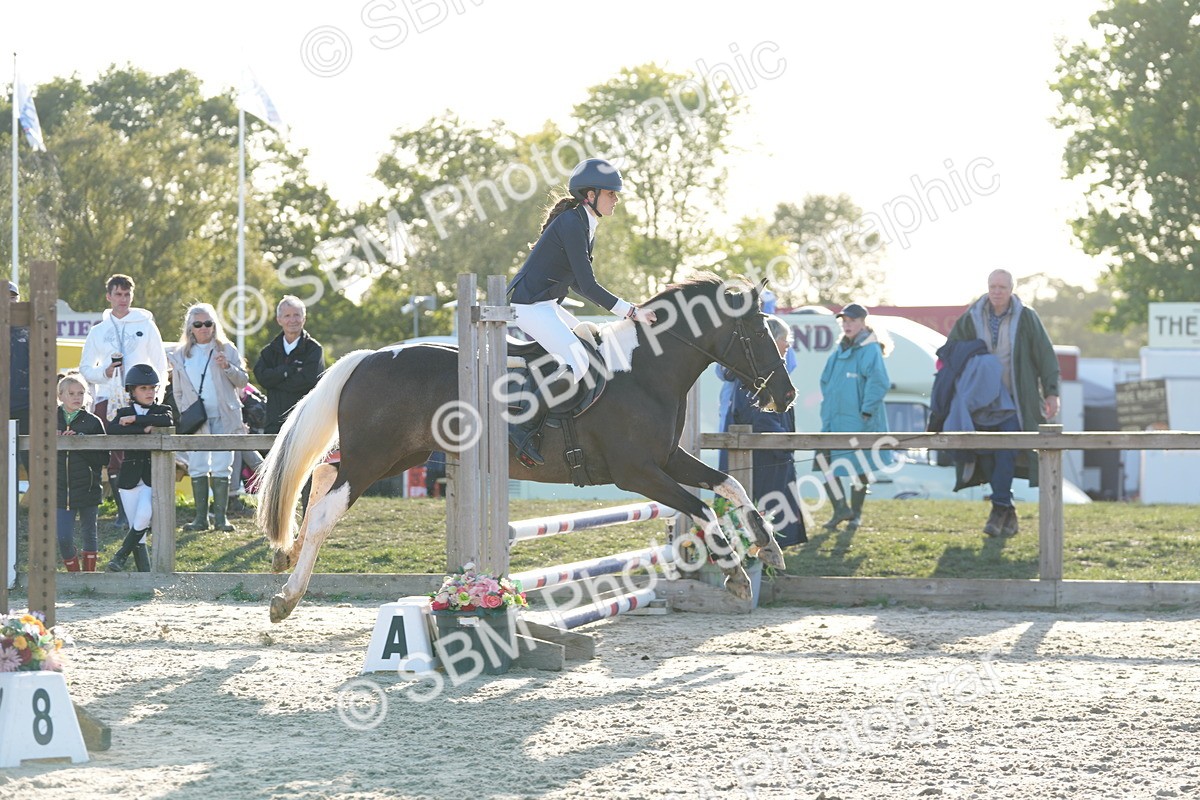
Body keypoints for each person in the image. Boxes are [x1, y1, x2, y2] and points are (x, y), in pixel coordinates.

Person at [505, 157, 657, 466]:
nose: (616, 199)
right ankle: (521, 427)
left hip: (545, 304)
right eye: (611, 193)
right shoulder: (573, 222)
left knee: (591, 347)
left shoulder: (585, 222)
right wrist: (631, 312)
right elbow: (587, 285)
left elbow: (575, 282)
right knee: (579, 362)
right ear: (590, 195)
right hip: (528, 306)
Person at [946, 269, 1060, 537]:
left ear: (1011, 289)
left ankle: (998, 508)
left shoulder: (1027, 317)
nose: (996, 291)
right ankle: (1006, 509)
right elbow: (951, 350)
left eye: (1002, 287)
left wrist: (1052, 392)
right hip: (981, 401)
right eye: (992, 286)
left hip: (1016, 401)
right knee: (985, 452)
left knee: (1007, 451)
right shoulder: (972, 317)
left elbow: (1045, 354)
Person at [78, 274, 168, 529]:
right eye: (118, 294)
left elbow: (160, 364)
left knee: (143, 451)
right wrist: (104, 372)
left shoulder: (146, 325)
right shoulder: (99, 330)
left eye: (127, 294)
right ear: (108, 296)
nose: (123, 299)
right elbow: (86, 368)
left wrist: (156, 398)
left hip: (141, 399)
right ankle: (122, 512)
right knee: (114, 453)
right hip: (109, 396)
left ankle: (147, 512)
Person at [168, 304, 250, 532]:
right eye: (198, 324)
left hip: (225, 416)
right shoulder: (181, 354)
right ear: (190, 328)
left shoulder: (226, 348)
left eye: (208, 323)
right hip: (198, 419)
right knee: (197, 465)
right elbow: (178, 390)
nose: (204, 328)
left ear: (214, 325)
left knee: (224, 464)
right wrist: (187, 410)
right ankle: (201, 518)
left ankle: (222, 518)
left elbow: (243, 381)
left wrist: (228, 367)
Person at [814, 303, 894, 533]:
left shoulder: (871, 350)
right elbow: (825, 382)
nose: (847, 325)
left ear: (863, 323)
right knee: (824, 462)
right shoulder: (838, 350)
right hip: (833, 419)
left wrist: (866, 411)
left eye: (852, 321)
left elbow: (879, 382)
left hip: (860, 420)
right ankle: (841, 508)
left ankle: (855, 515)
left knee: (859, 468)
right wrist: (827, 409)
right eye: (844, 321)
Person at [728, 315, 806, 546]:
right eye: (785, 339)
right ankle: (765, 555)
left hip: (776, 455)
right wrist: (784, 444)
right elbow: (760, 416)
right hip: (766, 457)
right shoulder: (756, 377)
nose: (788, 345)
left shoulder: (772, 374)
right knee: (769, 512)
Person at [105, 364, 174, 572]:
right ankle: (145, 575)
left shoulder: (162, 410)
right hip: (128, 478)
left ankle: (119, 556)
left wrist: (136, 420)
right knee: (139, 531)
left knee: (144, 515)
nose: (149, 392)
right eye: (143, 388)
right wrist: (142, 428)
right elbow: (113, 429)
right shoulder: (122, 411)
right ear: (132, 391)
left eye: (152, 388)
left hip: (153, 476)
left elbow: (168, 420)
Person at [56, 373, 108, 572]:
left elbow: (104, 459)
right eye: (71, 393)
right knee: (63, 537)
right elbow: (37, 454)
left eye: (81, 393)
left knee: (90, 534)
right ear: (60, 396)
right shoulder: (48, 420)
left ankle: (90, 578)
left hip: (88, 487)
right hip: (59, 490)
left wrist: (81, 441)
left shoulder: (93, 422)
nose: (77, 397)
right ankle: (75, 576)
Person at [253, 296, 325, 435]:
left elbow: (309, 380)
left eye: (297, 315)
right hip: (274, 423)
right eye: (287, 315)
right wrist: (287, 371)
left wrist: (274, 381)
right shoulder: (270, 351)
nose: (292, 320)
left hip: (304, 422)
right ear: (279, 320)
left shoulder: (314, 349)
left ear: (304, 318)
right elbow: (261, 378)